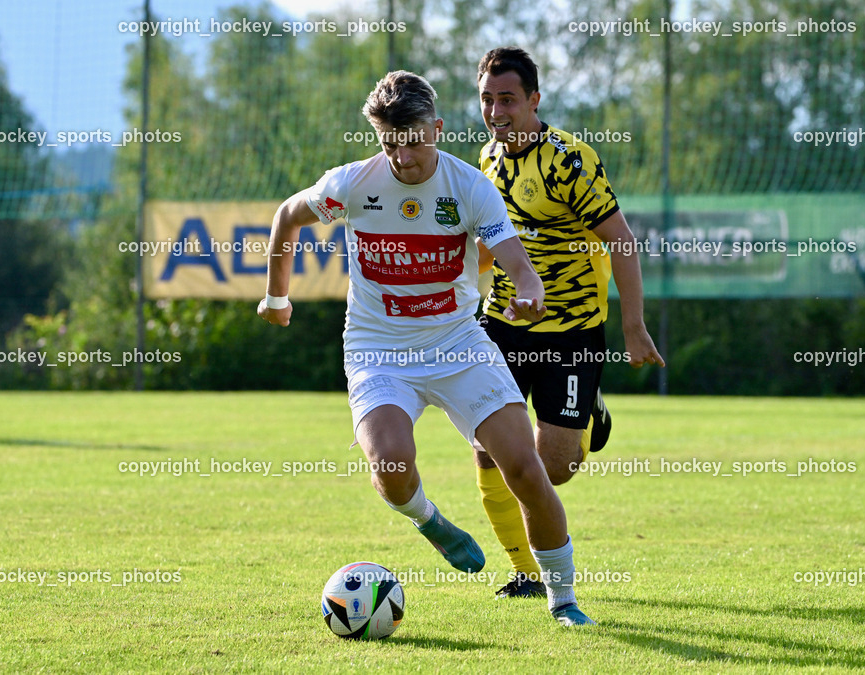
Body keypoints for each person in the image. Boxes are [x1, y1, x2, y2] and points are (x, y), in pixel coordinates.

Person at [258, 70, 594, 625]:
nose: (402, 159)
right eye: (390, 144)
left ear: (435, 129)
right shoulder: (352, 184)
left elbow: (515, 261)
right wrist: (276, 295)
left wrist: (530, 291)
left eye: (413, 142)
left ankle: (564, 602)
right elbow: (285, 217)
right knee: (390, 465)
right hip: (378, 350)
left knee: (526, 471)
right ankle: (429, 521)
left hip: (459, 344)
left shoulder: (468, 188)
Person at [472, 47, 666, 599]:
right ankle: (526, 574)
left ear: (534, 99)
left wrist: (633, 326)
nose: (496, 111)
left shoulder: (568, 160)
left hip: (573, 332)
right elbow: (492, 246)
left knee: (553, 470)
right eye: (487, 99)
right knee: (491, 450)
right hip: (503, 324)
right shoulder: (486, 161)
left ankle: (588, 409)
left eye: (507, 99)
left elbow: (621, 242)